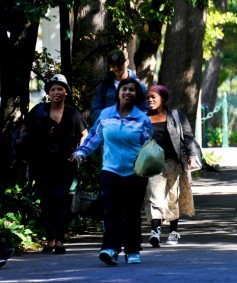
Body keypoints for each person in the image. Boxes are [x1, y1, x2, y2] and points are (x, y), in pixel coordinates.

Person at [74, 78, 152, 265]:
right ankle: (110, 249)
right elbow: (94, 137)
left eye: (132, 90)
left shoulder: (142, 118)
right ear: (118, 93)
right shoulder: (106, 114)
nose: (127, 93)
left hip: (135, 173)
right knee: (112, 212)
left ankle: (133, 250)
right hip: (110, 171)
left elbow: (151, 146)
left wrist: (152, 166)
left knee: (132, 213)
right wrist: (81, 152)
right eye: (124, 89)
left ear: (136, 94)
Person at [17, 74, 88, 254]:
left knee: (61, 199)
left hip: (65, 163)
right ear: (48, 92)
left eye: (60, 88)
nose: (56, 92)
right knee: (46, 202)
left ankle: (60, 240)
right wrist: (27, 147)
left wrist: (79, 153)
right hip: (42, 163)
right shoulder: (39, 110)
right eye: (53, 89)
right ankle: (50, 240)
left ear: (66, 92)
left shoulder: (74, 113)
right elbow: (24, 130)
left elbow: (85, 134)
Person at [144, 85, 197, 248]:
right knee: (154, 196)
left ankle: (173, 232)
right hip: (153, 162)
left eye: (154, 97)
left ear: (163, 99)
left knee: (173, 196)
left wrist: (191, 155)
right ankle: (155, 232)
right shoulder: (143, 118)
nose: (150, 100)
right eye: (148, 98)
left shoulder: (176, 116)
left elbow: (188, 137)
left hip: (174, 161)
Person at [90, 49, 148, 123]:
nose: (116, 68)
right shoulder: (104, 85)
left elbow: (145, 110)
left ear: (126, 62)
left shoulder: (139, 86)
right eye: (113, 65)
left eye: (119, 64)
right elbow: (95, 110)